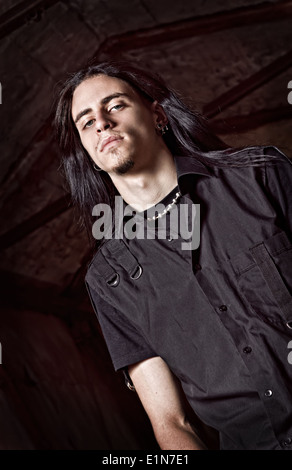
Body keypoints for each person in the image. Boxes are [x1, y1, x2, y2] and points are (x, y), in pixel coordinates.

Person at [55, 60, 292, 450]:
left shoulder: (262, 177)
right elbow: (170, 421)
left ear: (158, 115)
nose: (101, 122)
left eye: (115, 105)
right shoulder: (108, 279)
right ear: (87, 152)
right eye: (85, 121)